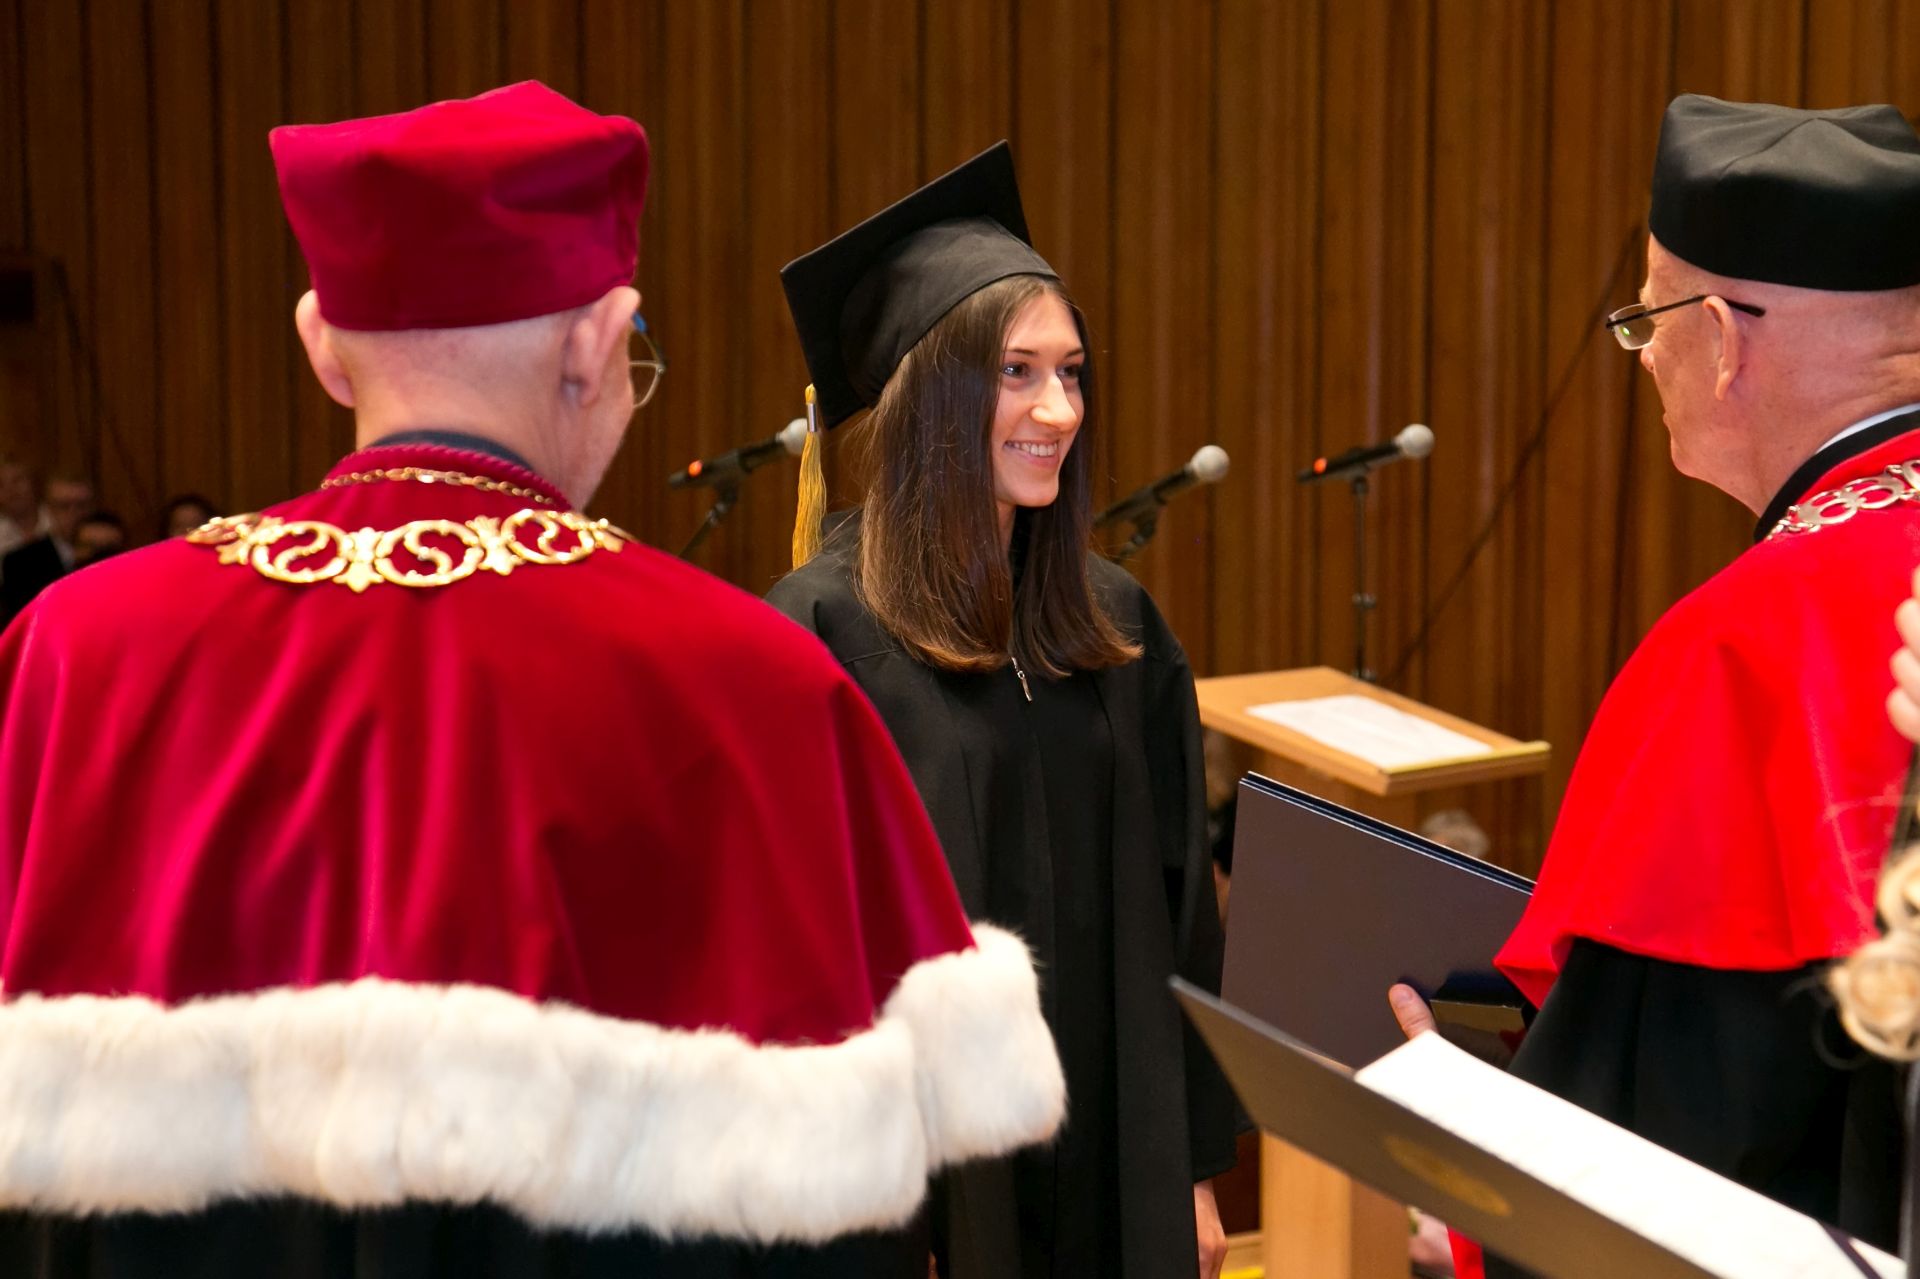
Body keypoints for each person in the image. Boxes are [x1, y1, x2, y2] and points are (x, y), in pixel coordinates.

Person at [0, 82, 1065, 1278]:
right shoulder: (756, 682)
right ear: (594, 344)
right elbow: (842, 1231)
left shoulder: (69, 651)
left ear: (322, 347)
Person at [1394, 95, 1920, 1274]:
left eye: (1644, 320)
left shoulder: (1743, 640)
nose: (1644, 359)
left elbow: (1658, 1112)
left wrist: (1467, 1193)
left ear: (1722, 339)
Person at [764, 143, 1238, 1279]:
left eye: (1071, 373)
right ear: (931, 394)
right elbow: (800, 966)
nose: (1057, 409)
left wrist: (1191, 1172)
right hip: (923, 1202)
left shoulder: (1114, 626)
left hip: (1115, 1164)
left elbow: (1184, 917)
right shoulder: (820, 636)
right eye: (1016, 372)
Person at [0, 473, 92, 620]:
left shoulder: (107, 552)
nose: (74, 514)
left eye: (81, 506)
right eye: (64, 506)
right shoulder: (20, 562)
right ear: (49, 510)